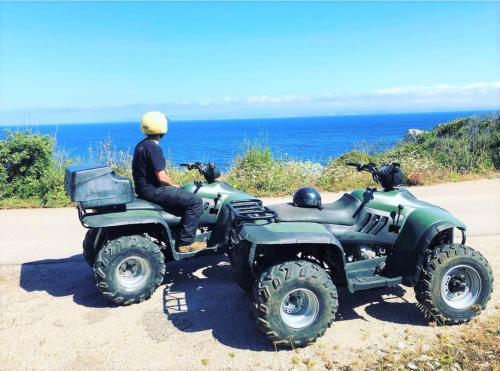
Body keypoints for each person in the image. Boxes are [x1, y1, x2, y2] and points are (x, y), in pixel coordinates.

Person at [132, 111, 205, 253]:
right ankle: (186, 243)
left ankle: (178, 231)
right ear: (162, 127)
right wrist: (175, 186)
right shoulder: (154, 148)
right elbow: (162, 177)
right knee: (196, 202)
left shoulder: (141, 145)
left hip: (143, 190)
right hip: (154, 190)